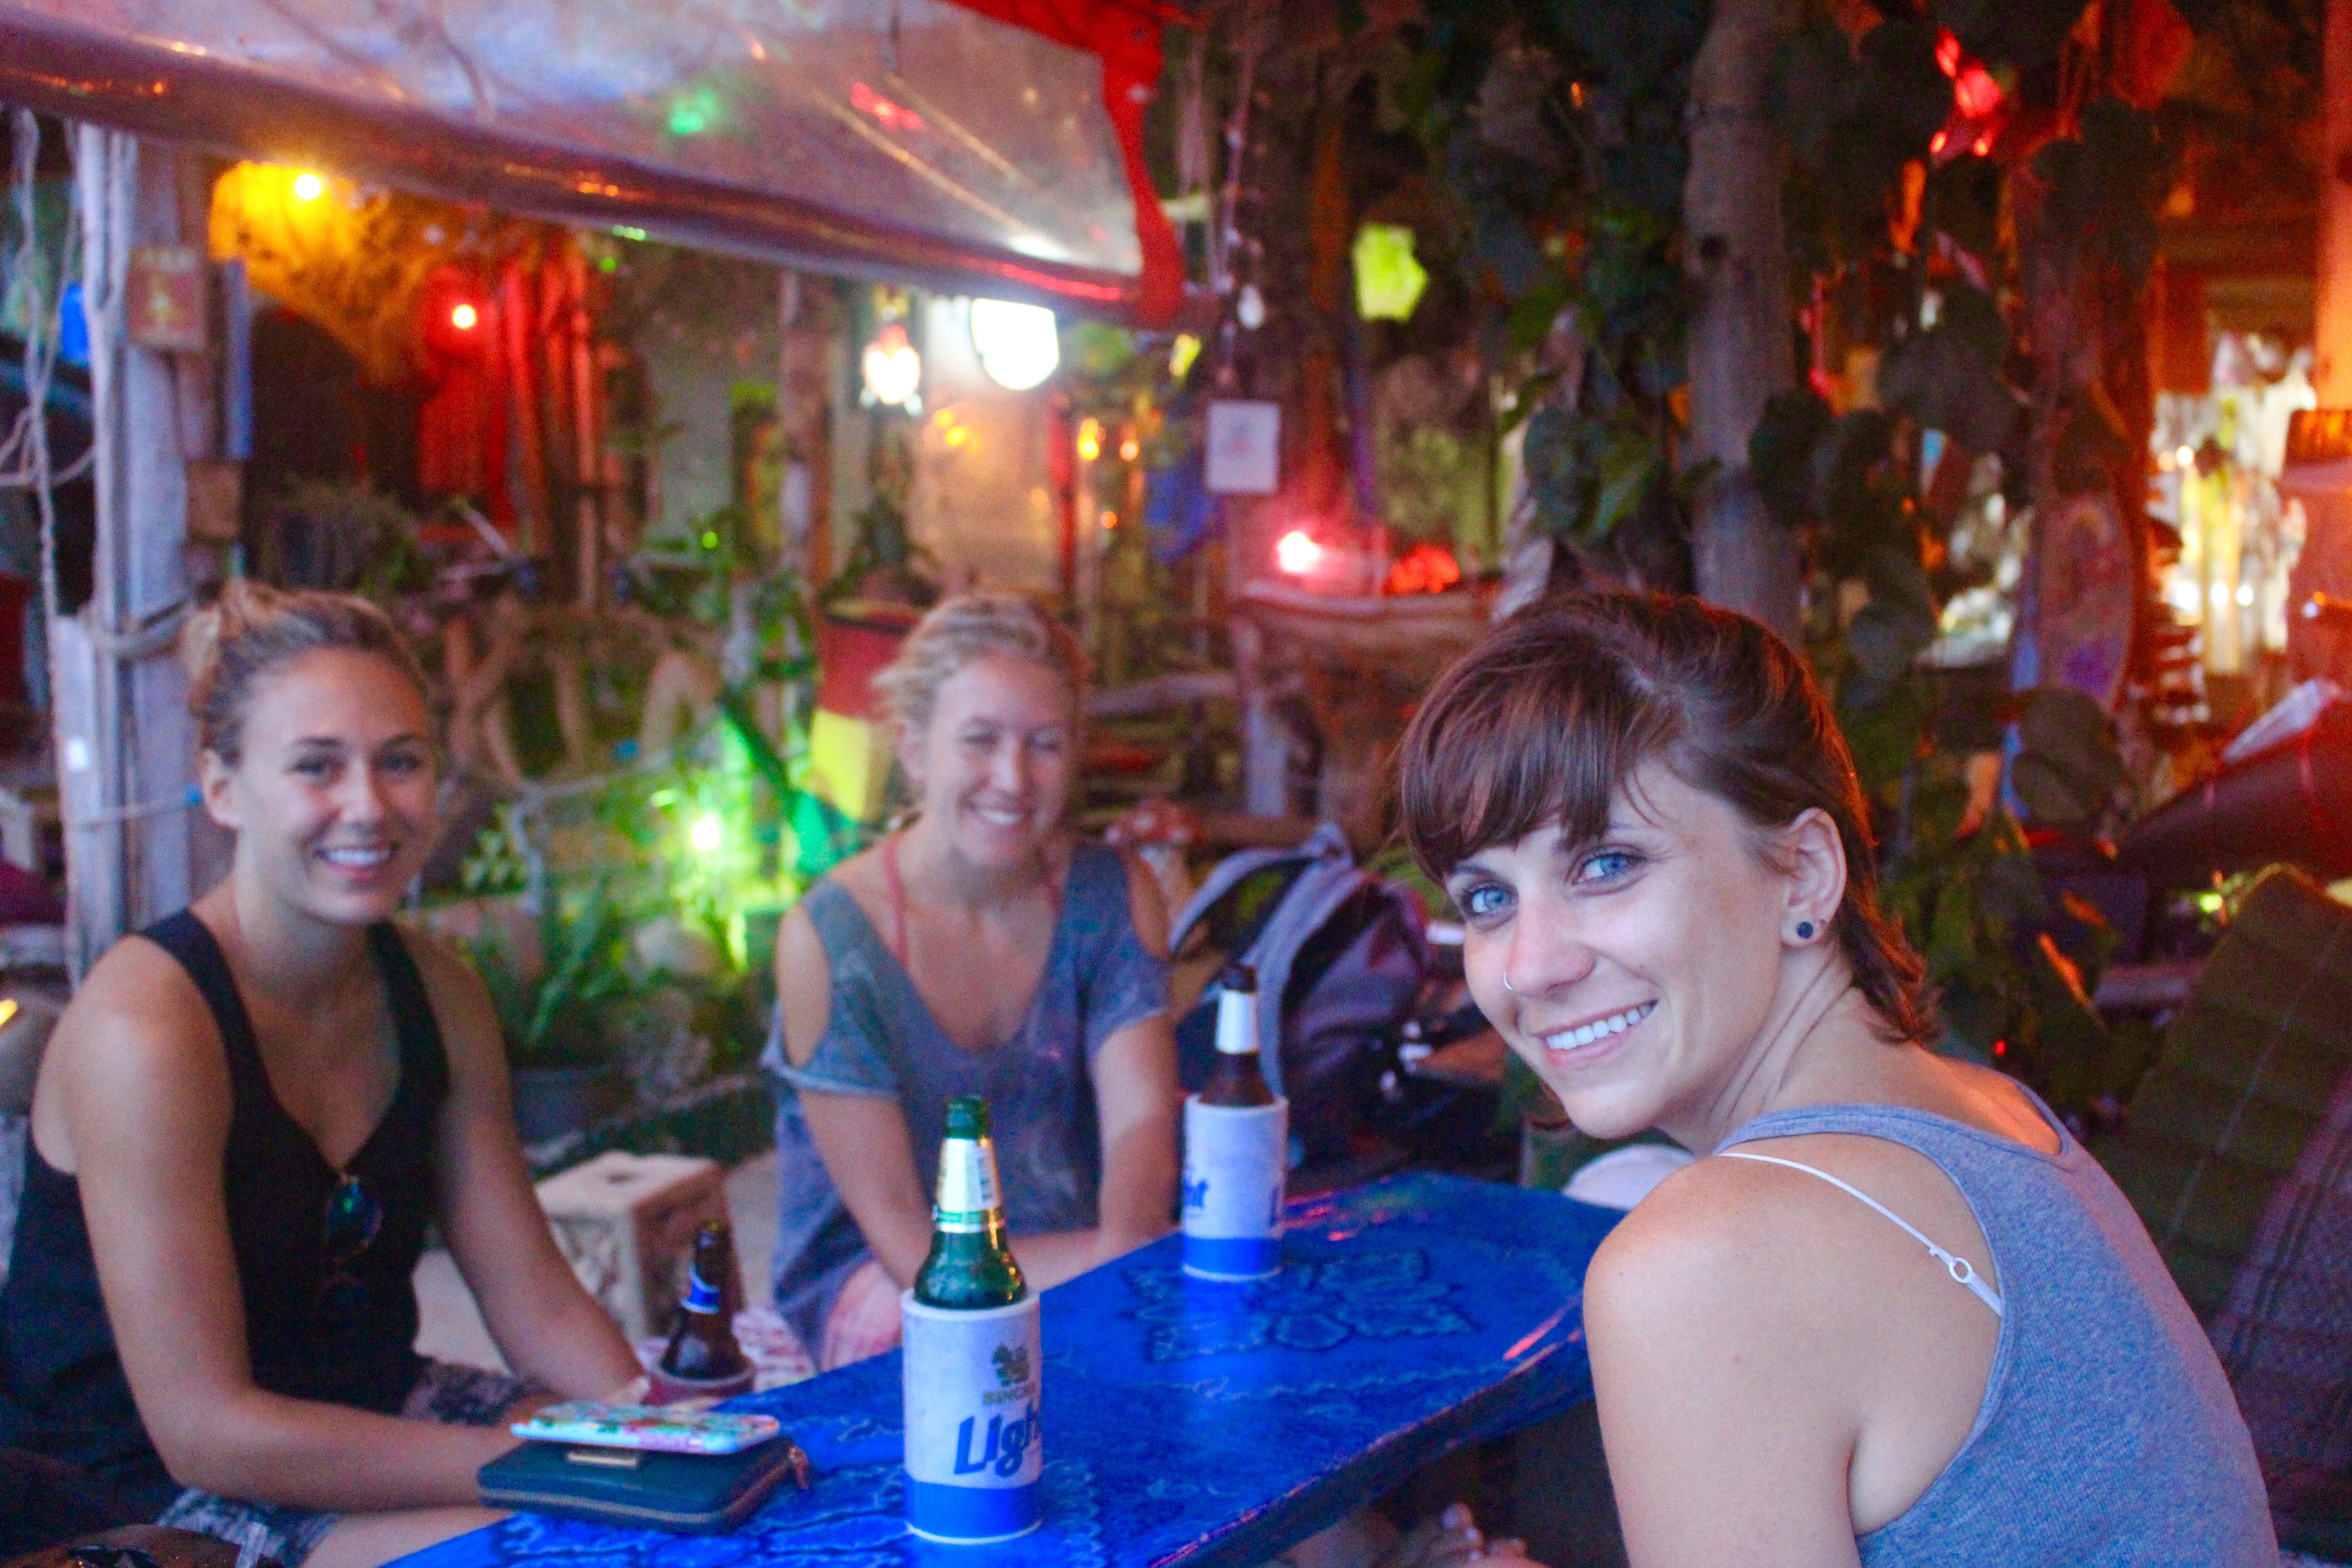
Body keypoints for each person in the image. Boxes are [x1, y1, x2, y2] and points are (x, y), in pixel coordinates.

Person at [1396, 592, 2276, 1567]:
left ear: (1805, 872)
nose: (1530, 967)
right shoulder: (1992, 1111)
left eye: (1607, 864)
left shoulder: (1705, 1263)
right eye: (1488, 897)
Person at [0, 581, 642, 1568]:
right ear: (222, 789)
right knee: (566, 1544)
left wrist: (663, 1436)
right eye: (316, 767)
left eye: (401, 761)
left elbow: (540, 1304)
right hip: (144, 1487)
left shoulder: (438, 993)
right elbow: (206, 1431)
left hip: (360, 1407)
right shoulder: (148, 1029)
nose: (369, 806)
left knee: (697, 1501)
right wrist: (548, 1466)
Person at [766, 592, 1182, 1368]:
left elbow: (1143, 1123)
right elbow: (906, 1246)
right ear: (914, 749)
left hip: (1084, 1250)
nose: (1012, 778)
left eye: (1046, 744)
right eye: (979, 741)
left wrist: (1129, 1249)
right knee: (960, 1351)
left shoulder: (1111, 894)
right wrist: (1117, 1268)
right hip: (888, 1280)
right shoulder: (831, 937)